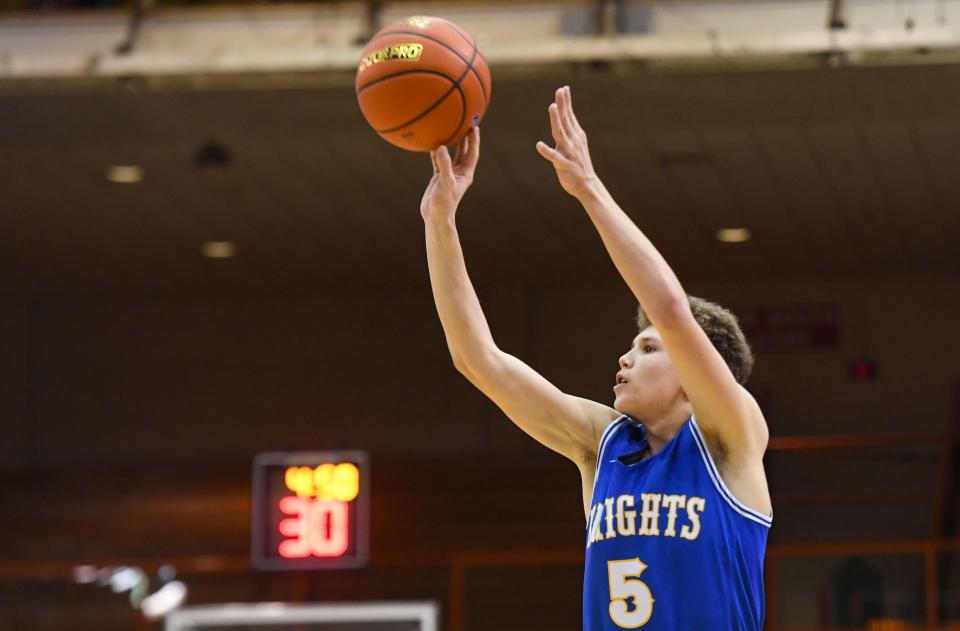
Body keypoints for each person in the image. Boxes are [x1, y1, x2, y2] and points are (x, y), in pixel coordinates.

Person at [420, 85, 772, 630]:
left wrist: (588, 188)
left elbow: (672, 310)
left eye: (649, 348)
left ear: (696, 375)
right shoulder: (600, 445)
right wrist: (439, 223)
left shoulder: (731, 439)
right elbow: (477, 358)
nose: (626, 357)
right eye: (634, 344)